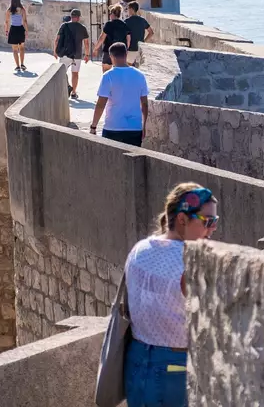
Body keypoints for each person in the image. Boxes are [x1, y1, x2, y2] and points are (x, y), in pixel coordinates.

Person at [124, 183, 219, 407]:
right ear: (182, 220)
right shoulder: (191, 262)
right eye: (207, 221)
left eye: (215, 221)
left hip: (136, 362)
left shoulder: (139, 249)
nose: (213, 228)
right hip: (174, 368)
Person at [90, 43, 148, 147]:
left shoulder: (108, 76)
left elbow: (100, 104)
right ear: (126, 54)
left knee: (110, 162)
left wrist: (93, 126)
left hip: (113, 127)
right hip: (134, 128)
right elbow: (144, 104)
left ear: (111, 56)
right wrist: (144, 125)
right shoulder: (140, 76)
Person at [53, 9, 90, 99]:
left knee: (61, 72)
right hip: (77, 54)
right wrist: (87, 55)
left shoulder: (64, 26)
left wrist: (55, 51)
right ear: (79, 17)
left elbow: (57, 39)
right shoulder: (82, 27)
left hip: (66, 53)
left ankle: (68, 86)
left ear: (71, 16)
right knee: (75, 73)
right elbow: (86, 43)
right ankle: (73, 92)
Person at [93, 4, 130, 72]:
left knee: (106, 72)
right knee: (119, 72)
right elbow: (128, 40)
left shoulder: (109, 24)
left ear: (113, 14)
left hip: (109, 51)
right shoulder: (125, 25)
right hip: (121, 52)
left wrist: (96, 48)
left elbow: (102, 38)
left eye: (110, 13)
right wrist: (126, 50)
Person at [124, 2, 154, 67]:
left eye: (128, 9)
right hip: (140, 49)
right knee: (138, 69)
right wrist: (143, 41)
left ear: (131, 9)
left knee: (128, 68)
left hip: (130, 49)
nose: (127, 11)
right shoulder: (142, 20)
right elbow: (151, 32)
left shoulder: (127, 21)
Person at [5, 0, 28, 72]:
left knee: (15, 50)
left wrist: (6, 30)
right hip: (20, 29)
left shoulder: (9, 10)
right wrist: (26, 30)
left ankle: (17, 66)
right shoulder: (22, 9)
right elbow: (25, 21)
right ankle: (22, 64)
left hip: (13, 29)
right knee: (21, 48)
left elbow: (7, 21)